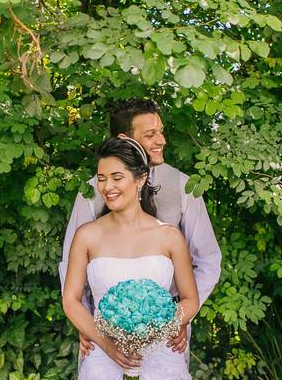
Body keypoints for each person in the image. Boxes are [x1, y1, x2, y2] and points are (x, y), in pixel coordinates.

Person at [59, 99, 222, 359]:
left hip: (169, 336)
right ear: (124, 139)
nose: (161, 140)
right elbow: (71, 265)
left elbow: (208, 260)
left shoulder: (184, 186)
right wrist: (89, 325)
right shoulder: (91, 192)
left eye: (161, 132)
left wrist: (180, 318)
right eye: (150, 134)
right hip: (103, 332)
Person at [62, 137, 198, 379]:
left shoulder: (169, 236)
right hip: (102, 351)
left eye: (116, 178)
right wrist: (107, 344)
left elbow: (190, 300)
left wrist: (161, 328)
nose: (107, 187)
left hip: (162, 351)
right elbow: (71, 300)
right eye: (101, 179)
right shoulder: (86, 236)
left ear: (141, 179)